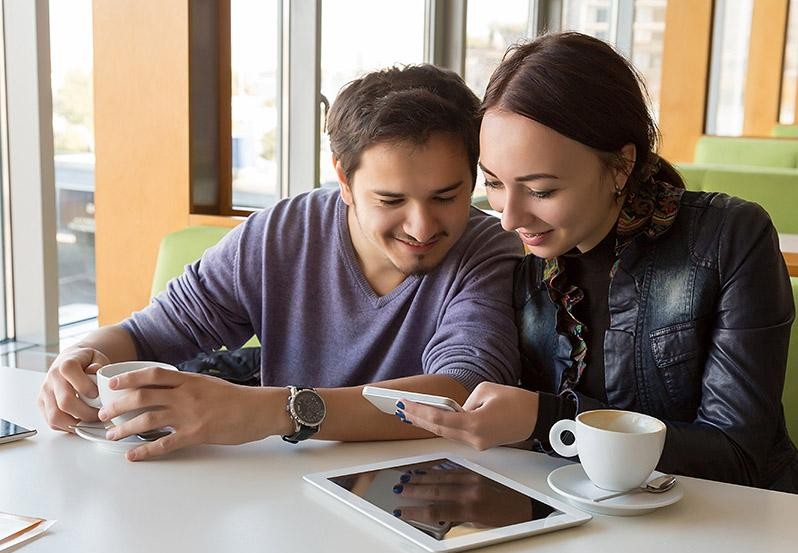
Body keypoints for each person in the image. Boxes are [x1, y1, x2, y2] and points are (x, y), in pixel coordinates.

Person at [38, 65, 523, 461]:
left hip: (422, 497)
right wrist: (80, 355)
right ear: (345, 180)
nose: (421, 226)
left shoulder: (489, 249)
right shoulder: (282, 233)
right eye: (391, 200)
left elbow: (462, 393)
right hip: (283, 495)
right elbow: (148, 333)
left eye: (447, 196)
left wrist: (275, 411)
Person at [398, 32, 798, 492]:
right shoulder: (520, 262)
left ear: (621, 167)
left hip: (733, 527)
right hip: (580, 523)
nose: (509, 218)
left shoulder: (728, 239)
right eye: (493, 183)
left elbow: (738, 458)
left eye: (541, 191)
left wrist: (546, 418)